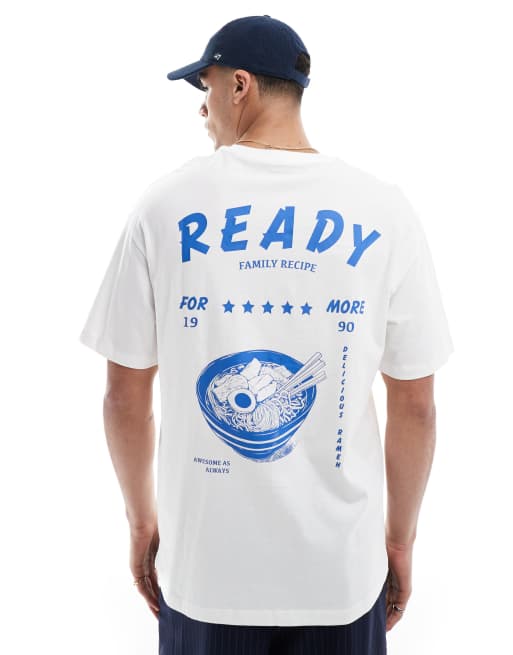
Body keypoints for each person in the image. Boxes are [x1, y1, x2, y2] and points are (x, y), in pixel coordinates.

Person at [79, 14, 454, 655]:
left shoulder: (163, 206)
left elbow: (124, 395)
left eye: (206, 86)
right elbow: (414, 403)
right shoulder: (384, 210)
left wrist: (142, 523)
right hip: (340, 577)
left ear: (240, 86)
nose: (202, 109)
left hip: (204, 576)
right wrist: (398, 540)